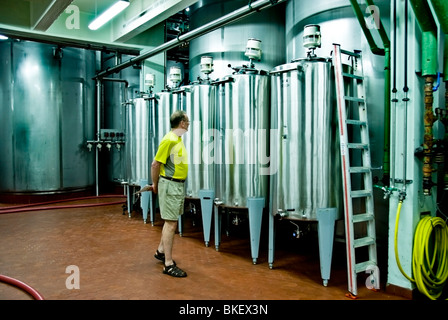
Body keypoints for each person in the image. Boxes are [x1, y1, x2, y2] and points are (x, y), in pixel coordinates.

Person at [150, 110, 190, 277]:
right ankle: (168, 264)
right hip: (170, 185)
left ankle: (160, 251)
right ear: (181, 122)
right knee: (171, 223)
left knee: (171, 221)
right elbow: (155, 164)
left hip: (177, 186)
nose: (189, 123)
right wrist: (155, 184)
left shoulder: (178, 139)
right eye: (187, 121)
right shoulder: (169, 140)